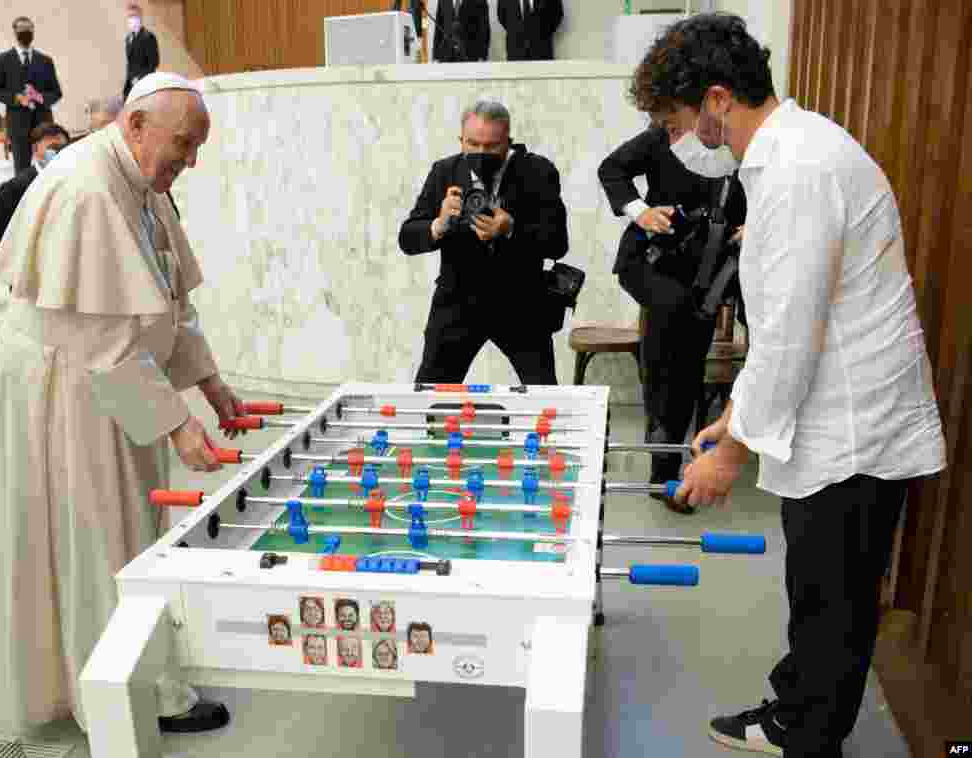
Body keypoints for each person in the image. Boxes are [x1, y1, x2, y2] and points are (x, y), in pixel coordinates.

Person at [628, 14, 946, 758]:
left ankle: (810, 738)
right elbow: (778, 325)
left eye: (676, 121)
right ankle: (794, 712)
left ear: (714, 99)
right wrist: (735, 415)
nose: (678, 138)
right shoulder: (786, 158)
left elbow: (795, 328)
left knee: (831, 601)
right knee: (816, 589)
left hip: (855, 427)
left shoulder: (801, 168)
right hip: (832, 411)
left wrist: (729, 456)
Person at [0, 72, 245, 736]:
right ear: (136, 125)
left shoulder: (140, 183)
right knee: (102, 538)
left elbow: (168, 301)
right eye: (184, 146)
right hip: (71, 386)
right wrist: (181, 425)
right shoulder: (87, 190)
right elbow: (101, 338)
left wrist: (212, 388)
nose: (189, 162)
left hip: (110, 380)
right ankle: (118, 694)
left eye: (196, 150)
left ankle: (139, 675)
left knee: (133, 532)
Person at [598, 123, 746, 514]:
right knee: (667, 358)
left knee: (685, 370)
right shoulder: (667, 132)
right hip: (651, 266)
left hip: (708, 278)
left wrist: (757, 225)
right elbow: (611, 169)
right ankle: (663, 472)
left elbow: (770, 195)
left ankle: (677, 464)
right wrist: (641, 212)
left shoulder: (748, 142)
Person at [399, 99, 569, 385]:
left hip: (521, 302)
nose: (481, 152)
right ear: (461, 140)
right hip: (457, 303)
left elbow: (558, 242)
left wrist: (511, 227)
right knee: (432, 397)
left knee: (543, 397)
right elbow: (407, 237)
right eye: (473, 144)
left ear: (508, 142)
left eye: (491, 146)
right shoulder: (445, 171)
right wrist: (439, 224)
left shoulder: (538, 171)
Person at [0, 16, 63, 174]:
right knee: (22, 171)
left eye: (29, 30)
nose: (26, 33)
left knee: (48, 168)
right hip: (17, 124)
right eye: (22, 30)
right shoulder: (3, 60)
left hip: (43, 124)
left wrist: (39, 97)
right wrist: (17, 98)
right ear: (15, 32)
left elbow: (56, 92)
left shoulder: (45, 61)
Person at [0, 123, 69, 249]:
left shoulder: (74, 181)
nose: (58, 152)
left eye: (63, 148)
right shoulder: (14, 188)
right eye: (52, 147)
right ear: (35, 149)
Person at [498, 0, 564, 61]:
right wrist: (517, 32)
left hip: (542, 52)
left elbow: (557, 14)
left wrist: (542, 35)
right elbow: (502, 16)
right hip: (515, 52)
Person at [123, 3, 160, 100]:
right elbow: (130, 63)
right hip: (131, 85)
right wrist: (129, 80)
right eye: (129, 16)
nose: (131, 19)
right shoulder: (128, 38)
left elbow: (154, 63)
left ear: (140, 17)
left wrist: (139, 78)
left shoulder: (148, 37)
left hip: (146, 84)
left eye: (134, 16)